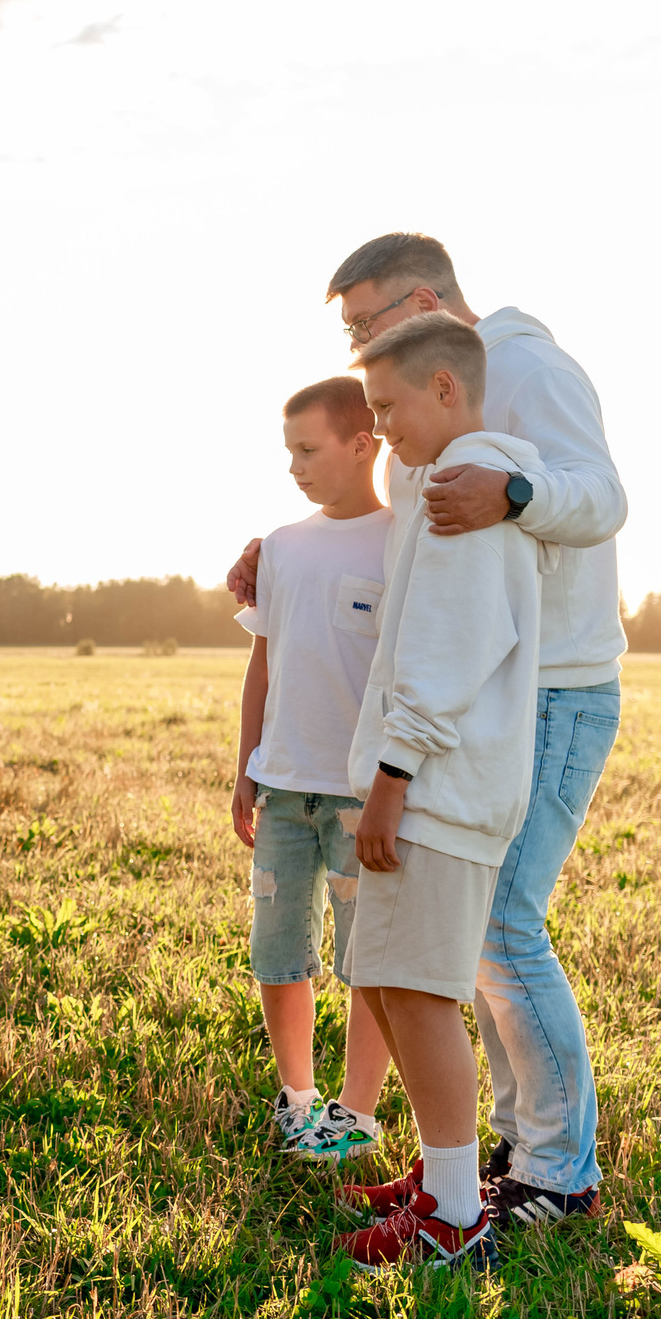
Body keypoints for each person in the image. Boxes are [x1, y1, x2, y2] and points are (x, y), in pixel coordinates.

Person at [228, 233, 625, 1228]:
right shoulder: (423, 417)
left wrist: (516, 494)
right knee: (471, 942)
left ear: (420, 306)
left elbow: (602, 497)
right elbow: (406, 555)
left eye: (366, 322)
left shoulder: (525, 369)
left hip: (546, 687)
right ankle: (506, 1156)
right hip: (469, 698)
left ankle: (557, 1173)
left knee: (499, 927)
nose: (358, 347)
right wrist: (285, 561)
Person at [326, 312, 550, 1268]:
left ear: (447, 388)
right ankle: (442, 1174)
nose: (379, 429)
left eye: (388, 407)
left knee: (416, 993)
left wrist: (391, 780)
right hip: (429, 784)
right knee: (384, 978)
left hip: (435, 788)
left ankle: (453, 1218)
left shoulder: (466, 488)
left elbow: (447, 650)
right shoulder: (448, 482)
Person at [230, 377, 396, 1165]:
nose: (294, 465)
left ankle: (355, 1111)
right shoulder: (282, 546)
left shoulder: (402, 542)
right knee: (278, 950)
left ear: (362, 444)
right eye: (288, 451)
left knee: (370, 961)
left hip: (361, 796)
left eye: (308, 449)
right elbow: (261, 665)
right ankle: (297, 1099)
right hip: (284, 785)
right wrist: (246, 767)